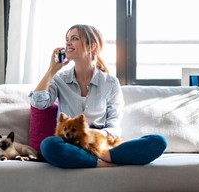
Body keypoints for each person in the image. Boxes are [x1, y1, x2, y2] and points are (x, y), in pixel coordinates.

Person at [29, 24, 167, 168]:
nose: (68, 43)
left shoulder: (110, 82)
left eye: (74, 38)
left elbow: (114, 123)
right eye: (67, 39)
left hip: (101, 143)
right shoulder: (59, 79)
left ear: (91, 46)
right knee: (48, 145)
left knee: (158, 141)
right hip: (72, 144)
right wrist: (52, 70)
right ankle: (102, 163)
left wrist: (97, 135)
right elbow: (39, 103)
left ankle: (99, 156)